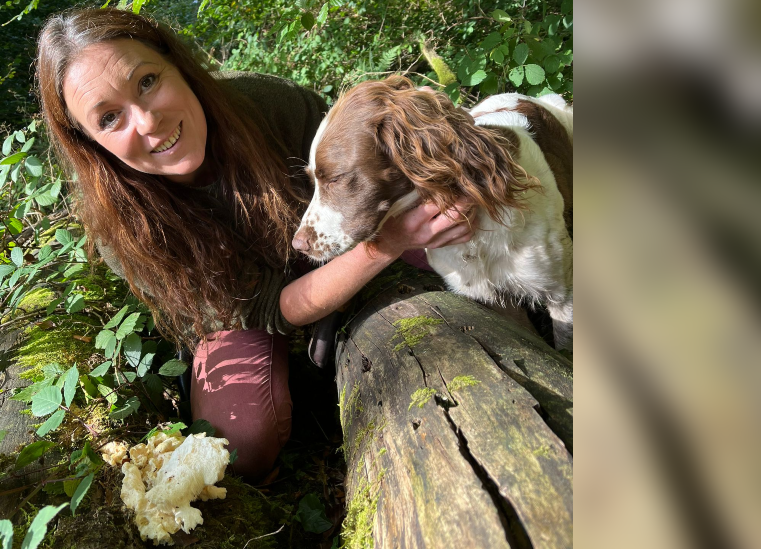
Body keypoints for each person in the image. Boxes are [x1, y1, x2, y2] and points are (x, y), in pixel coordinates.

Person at [36, 7, 474, 480]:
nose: (147, 121)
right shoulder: (118, 226)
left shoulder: (266, 104)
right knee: (242, 444)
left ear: (175, 63)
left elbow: (379, 169)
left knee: (459, 224)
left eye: (146, 81)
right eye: (108, 117)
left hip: (333, 240)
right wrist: (384, 247)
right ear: (89, 141)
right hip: (249, 312)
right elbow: (266, 309)